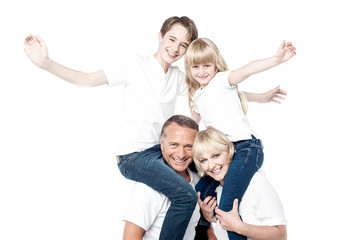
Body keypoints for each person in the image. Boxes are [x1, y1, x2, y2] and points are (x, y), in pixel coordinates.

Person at [24, 17, 286, 239]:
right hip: (135, 156)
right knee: (185, 196)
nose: (175, 48)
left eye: (183, 45)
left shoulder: (178, 77)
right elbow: (87, 79)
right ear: (160, 36)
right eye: (171, 39)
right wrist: (46, 63)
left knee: (205, 174)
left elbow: (215, 91)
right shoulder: (134, 64)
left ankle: (207, 227)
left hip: (161, 154)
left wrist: (258, 97)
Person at [184, 37, 296, 239]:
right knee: (199, 191)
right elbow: (192, 127)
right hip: (222, 152)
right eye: (196, 66)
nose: (201, 71)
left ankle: (232, 225)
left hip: (245, 149)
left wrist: (277, 59)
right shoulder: (198, 96)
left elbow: (246, 70)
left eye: (207, 65)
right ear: (189, 68)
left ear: (216, 64)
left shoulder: (220, 80)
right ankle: (210, 227)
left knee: (228, 207)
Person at [122, 115, 216, 240]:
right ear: (162, 144)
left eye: (189, 146)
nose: (181, 154)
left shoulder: (198, 180)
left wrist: (208, 222)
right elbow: (131, 237)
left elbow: (202, 228)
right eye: (174, 145)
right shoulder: (147, 188)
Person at [193, 126, 287, 240]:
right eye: (204, 160)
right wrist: (209, 218)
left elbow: (281, 235)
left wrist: (239, 227)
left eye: (216, 155)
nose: (211, 165)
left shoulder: (256, 181)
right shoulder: (215, 191)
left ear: (229, 152)